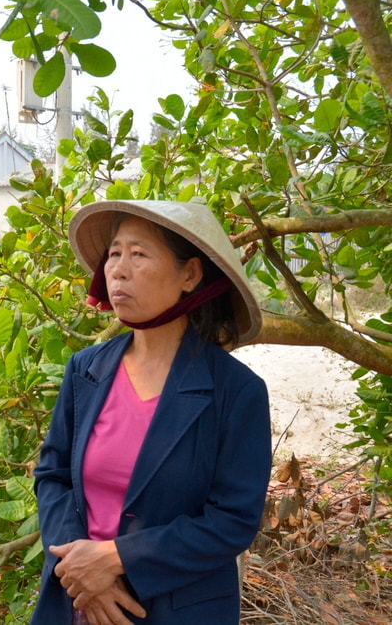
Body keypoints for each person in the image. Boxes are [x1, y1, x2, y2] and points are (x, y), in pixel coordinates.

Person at [31, 200, 271, 625]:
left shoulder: (235, 392)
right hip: (77, 601)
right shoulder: (85, 370)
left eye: (138, 254)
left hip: (176, 608)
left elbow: (232, 519)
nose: (118, 269)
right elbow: (52, 475)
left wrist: (116, 558)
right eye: (115, 253)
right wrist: (80, 564)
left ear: (190, 275)